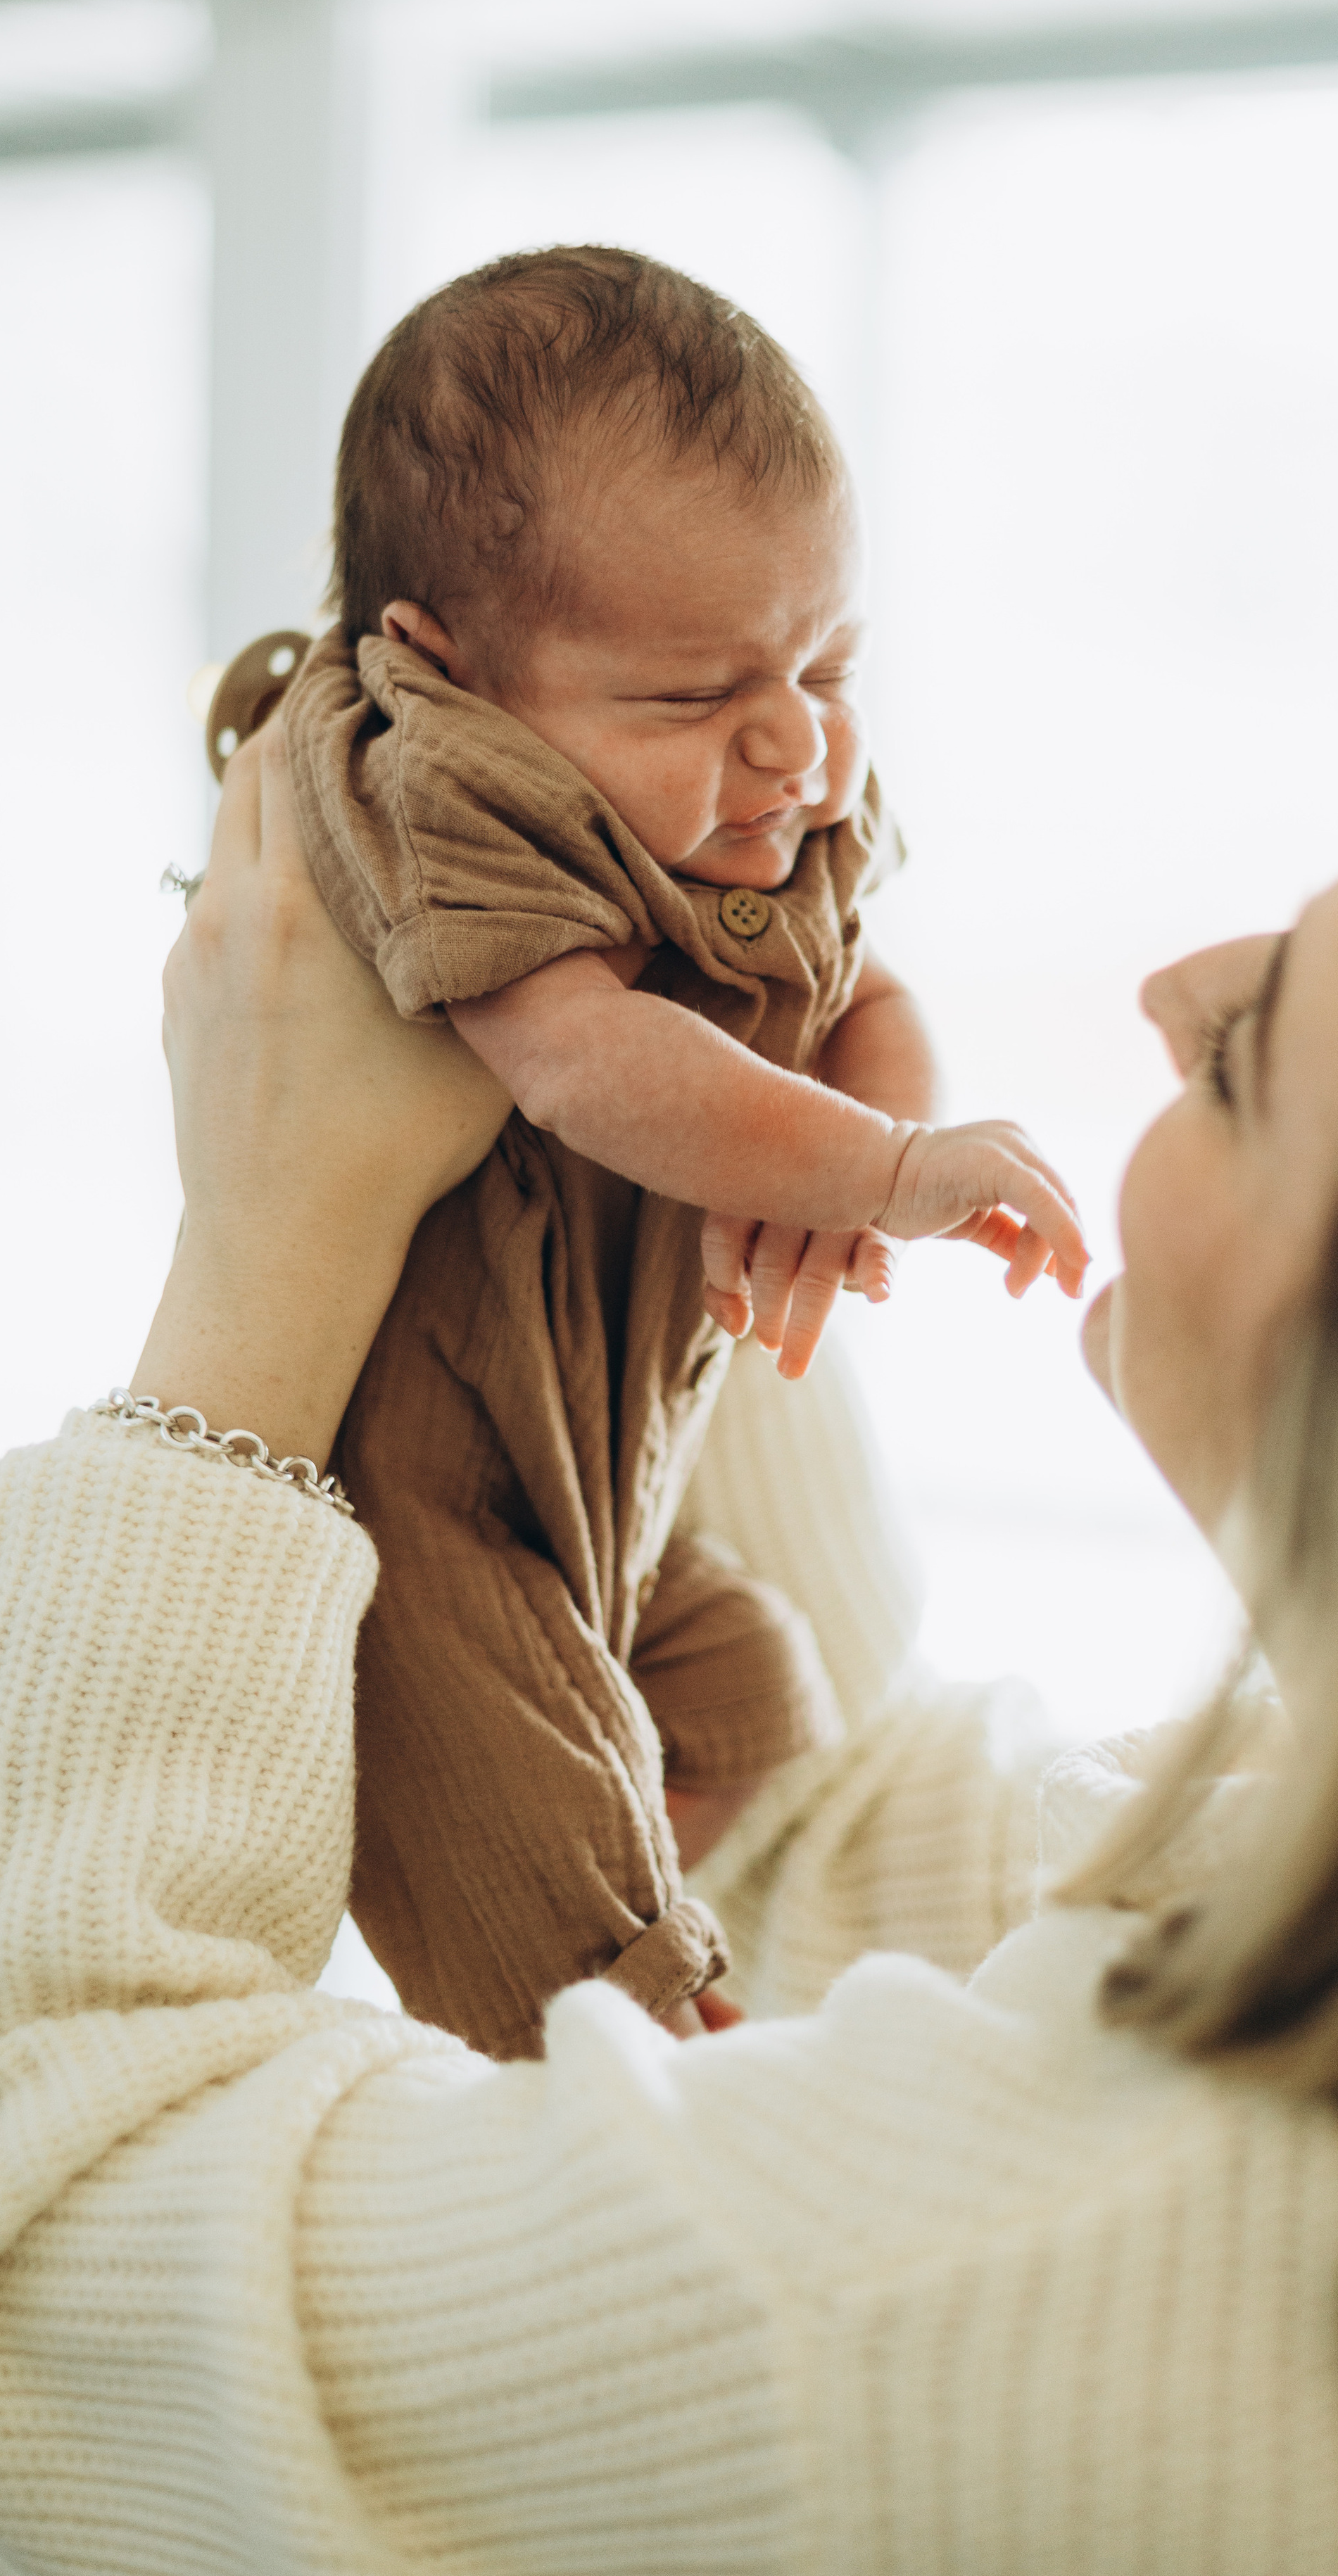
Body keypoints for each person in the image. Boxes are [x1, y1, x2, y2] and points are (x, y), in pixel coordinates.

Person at [0, 733, 1338, 2574]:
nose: (1169, 990)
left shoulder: (1024, 2275)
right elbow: (800, 1836)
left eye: (1246, 1058)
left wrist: (276, 1236)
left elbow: (19, 2232)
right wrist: (681, 1149)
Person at [237, 246, 1087, 2057]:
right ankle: (579, 2028)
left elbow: (863, 992)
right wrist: (876, 1177)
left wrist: (877, 1132)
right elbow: (577, 1056)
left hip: (616, 1486)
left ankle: (586, 1941)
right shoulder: (436, 785)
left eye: (829, 659)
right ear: (445, 672)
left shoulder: (776, 781)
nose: (792, 742)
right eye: (690, 699)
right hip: (433, 1500)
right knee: (562, 1895)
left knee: (760, 1708)